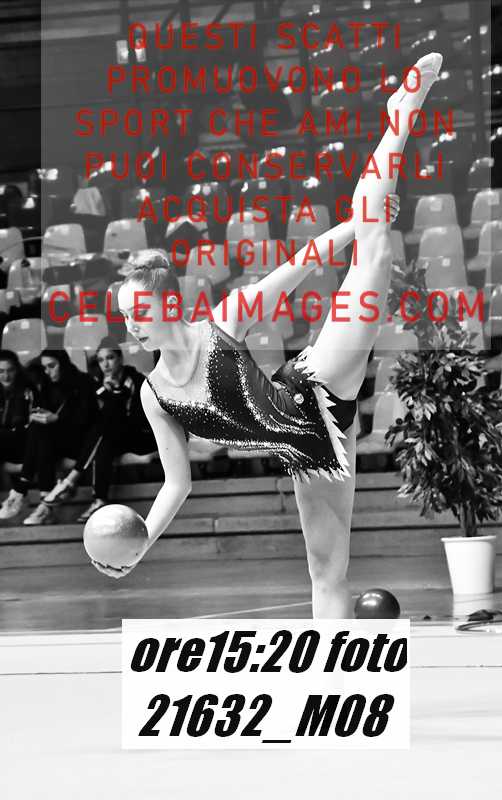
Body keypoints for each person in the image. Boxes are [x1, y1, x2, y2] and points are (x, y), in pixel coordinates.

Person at [93, 54, 443, 619]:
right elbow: (176, 485)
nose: (130, 324)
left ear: (168, 303)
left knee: (374, 249)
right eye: (124, 316)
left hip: (315, 386)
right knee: (326, 572)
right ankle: (335, 672)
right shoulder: (153, 394)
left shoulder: (223, 321)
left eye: (137, 311)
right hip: (305, 448)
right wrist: (140, 545)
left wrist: (356, 223)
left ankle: (399, 116)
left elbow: (300, 264)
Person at [44, 336, 156, 522]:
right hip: (110, 436)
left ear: (120, 358)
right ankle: (99, 500)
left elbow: (136, 419)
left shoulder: (136, 380)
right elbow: (89, 417)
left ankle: (71, 480)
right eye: (101, 360)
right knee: (104, 439)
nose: (106, 364)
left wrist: (114, 394)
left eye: (110, 358)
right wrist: (108, 393)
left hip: (139, 436)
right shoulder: (95, 383)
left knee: (106, 425)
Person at [0, 349, 97, 525]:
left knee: (41, 432)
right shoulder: (48, 383)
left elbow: (87, 421)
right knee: (39, 428)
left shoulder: (83, 382)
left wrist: (57, 419)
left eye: (52, 366)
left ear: (63, 364)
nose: (48, 371)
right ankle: (44, 504)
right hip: (53, 440)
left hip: (81, 442)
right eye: (45, 367)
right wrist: (42, 414)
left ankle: (21, 490)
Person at [0, 350, 35, 497]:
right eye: (1, 371)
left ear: (17, 370)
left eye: (10, 370)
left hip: (21, 440)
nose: (6, 376)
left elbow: (30, 423)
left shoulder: (27, 390)